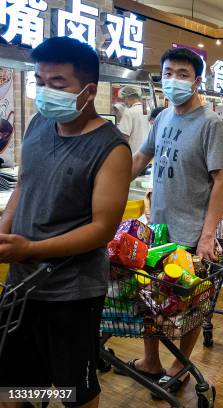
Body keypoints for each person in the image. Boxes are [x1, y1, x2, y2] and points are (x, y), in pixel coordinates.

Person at [0, 37, 132, 408]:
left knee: (74, 391)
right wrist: (5, 229)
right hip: (21, 286)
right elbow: (25, 185)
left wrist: (30, 249)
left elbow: (101, 230)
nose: (44, 92)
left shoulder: (112, 149)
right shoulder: (39, 124)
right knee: (13, 384)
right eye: (40, 82)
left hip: (71, 292)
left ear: (88, 91)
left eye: (57, 83)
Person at [128, 47, 223, 394]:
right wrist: (110, 184)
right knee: (148, 297)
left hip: (190, 232)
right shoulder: (162, 118)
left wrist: (208, 235)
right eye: (168, 73)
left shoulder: (210, 123)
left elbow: (221, 179)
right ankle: (150, 360)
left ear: (197, 80)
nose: (173, 80)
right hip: (157, 228)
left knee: (188, 304)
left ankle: (179, 365)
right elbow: (143, 155)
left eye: (182, 74)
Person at [117, 85, 149, 154]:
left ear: (128, 97)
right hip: (145, 152)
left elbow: (124, 136)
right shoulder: (146, 110)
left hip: (133, 152)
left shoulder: (129, 112)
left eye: (124, 98)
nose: (125, 101)